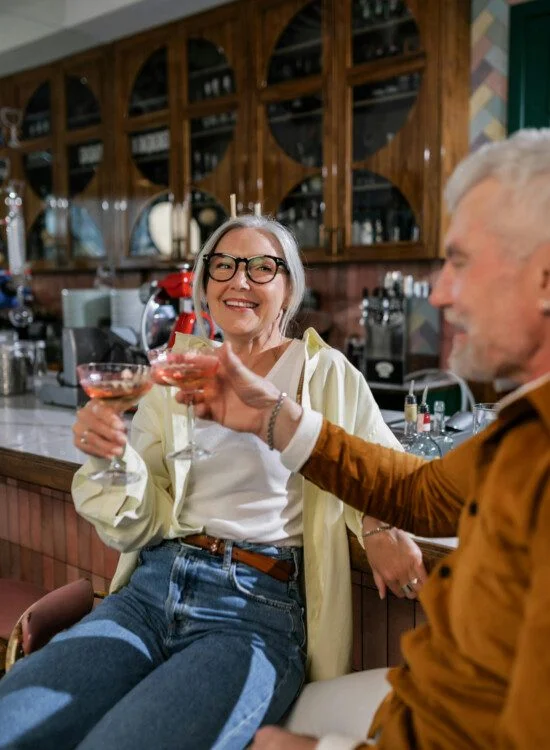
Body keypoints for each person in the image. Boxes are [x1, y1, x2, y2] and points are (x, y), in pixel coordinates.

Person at [0, 215, 425, 750]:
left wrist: (379, 523)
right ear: (204, 285)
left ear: (288, 286)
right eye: (222, 266)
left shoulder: (326, 372)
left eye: (260, 268)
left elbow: (386, 468)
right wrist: (111, 456)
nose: (238, 281)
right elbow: (141, 521)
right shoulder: (177, 372)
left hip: (252, 612)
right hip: (149, 592)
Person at [186, 129, 550, 750]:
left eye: (460, 262)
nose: (437, 292)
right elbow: (421, 490)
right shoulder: (524, 432)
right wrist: (275, 416)